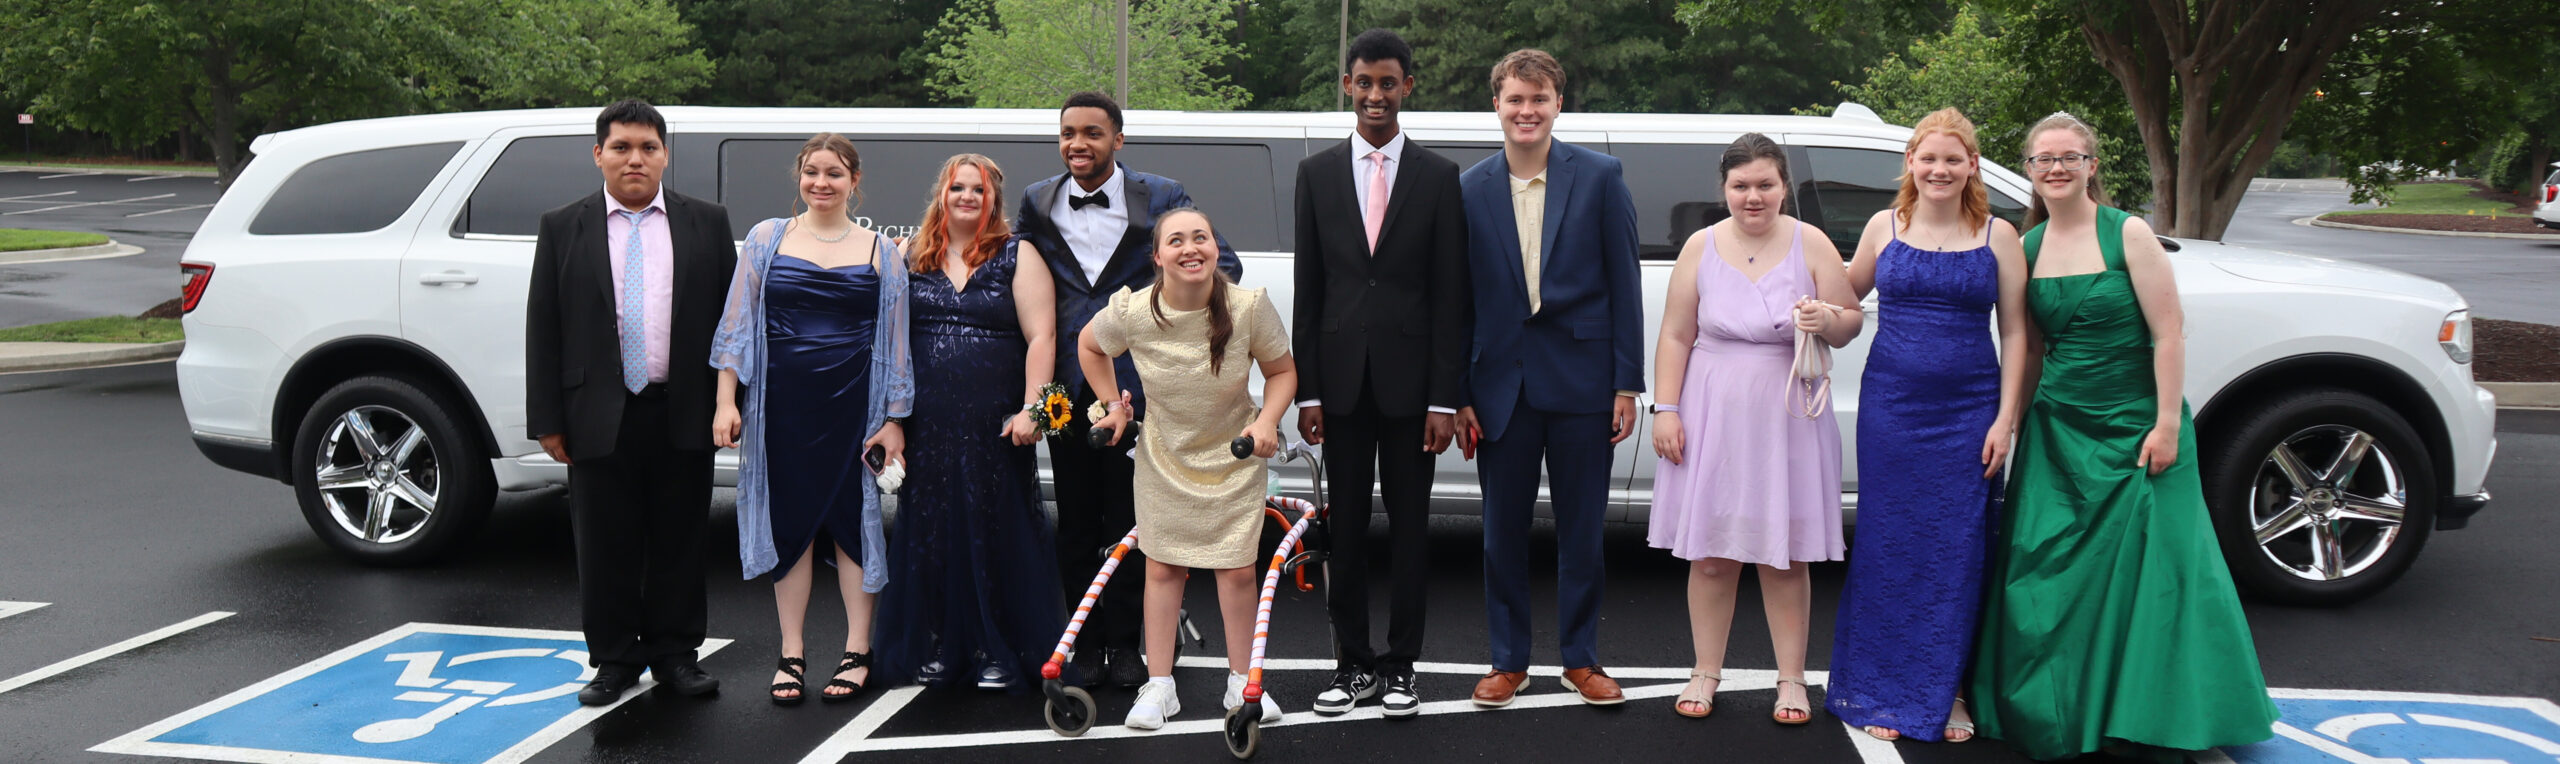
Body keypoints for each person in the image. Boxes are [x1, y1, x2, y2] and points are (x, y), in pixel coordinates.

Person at [1968, 112, 2279, 758]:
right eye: (2042, 158)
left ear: (2091, 165)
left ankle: (2163, 718)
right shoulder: (2028, 248)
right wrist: (2014, 423)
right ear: (2028, 170)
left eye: (2068, 156)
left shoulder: (2127, 234)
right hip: (2059, 435)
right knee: (2049, 575)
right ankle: (2068, 710)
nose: (2055, 167)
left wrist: (2167, 424)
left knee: (2158, 580)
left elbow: (2168, 333)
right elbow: (2029, 349)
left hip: (2138, 429)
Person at [1012, 91, 1241, 689]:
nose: (1077, 144)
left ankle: (1126, 647)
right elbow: (1016, 272)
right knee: (1078, 525)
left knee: (1136, 524)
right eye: (1067, 133)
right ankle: (1084, 646)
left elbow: (1223, 266)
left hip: (1143, 387)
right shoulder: (1037, 200)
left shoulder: (1162, 196)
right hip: (1066, 385)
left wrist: (1156, 321)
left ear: (1119, 139)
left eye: (1092, 132)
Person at [1825, 107, 2030, 742]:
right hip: (1892, 411)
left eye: (1953, 158)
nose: (1939, 169)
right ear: (1910, 163)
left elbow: (2019, 331)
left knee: (1959, 552)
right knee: (1889, 546)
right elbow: (1844, 299)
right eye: (1928, 158)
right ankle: (1882, 689)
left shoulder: (1999, 235)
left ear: (1972, 166)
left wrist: (2006, 418)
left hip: (1970, 414)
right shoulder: (1884, 226)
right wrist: (1809, 309)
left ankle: (1952, 693)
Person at [1454, 49, 1645, 710]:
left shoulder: (1599, 176)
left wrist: (1627, 384)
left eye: (1538, 99)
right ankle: (1507, 660)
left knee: (1582, 531)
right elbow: (1460, 301)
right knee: (1501, 534)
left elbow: (1626, 282)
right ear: (1498, 105)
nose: (1526, 111)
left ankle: (1580, 659)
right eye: (1515, 99)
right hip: (1499, 389)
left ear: (1558, 104)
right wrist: (1459, 396)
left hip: (1584, 384)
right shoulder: (1470, 187)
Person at [525, 99, 732, 706]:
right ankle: (614, 659)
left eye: (647, 147)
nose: (635, 159)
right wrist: (548, 418)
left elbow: (732, 322)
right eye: (621, 147)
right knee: (604, 542)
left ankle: (674, 654)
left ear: (665, 155)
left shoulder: (707, 222)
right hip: (596, 413)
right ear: (599, 155)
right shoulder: (563, 225)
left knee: (680, 539)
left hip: (683, 406)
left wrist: (730, 401)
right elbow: (545, 324)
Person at [1646, 134, 1858, 725]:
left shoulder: (1810, 241)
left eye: (1765, 184)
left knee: (1785, 556)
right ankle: (1704, 669)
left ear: (1784, 186)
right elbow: (1675, 334)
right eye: (1741, 186)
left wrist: (1826, 318)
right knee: (1712, 554)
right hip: (1710, 407)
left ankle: (1791, 678)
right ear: (1724, 190)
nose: (1753, 197)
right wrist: (1667, 408)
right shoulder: (1700, 245)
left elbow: (1850, 323)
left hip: (1788, 413)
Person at [1291, 28, 1470, 718]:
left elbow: (1450, 295)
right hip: (1337, 386)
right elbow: (1311, 291)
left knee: (1410, 529)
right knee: (1345, 529)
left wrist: (1444, 399)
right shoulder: (1316, 174)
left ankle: (1401, 666)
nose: (1375, 95)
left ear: (1407, 88)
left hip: (1411, 390)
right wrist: (1307, 389)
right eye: (1364, 82)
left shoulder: (1438, 177)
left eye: (1388, 82)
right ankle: (1351, 664)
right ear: (1348, 86)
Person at [708, 133, 913, 706]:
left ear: (855, 182)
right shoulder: (766, 239)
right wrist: (727, 401)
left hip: (855, 410)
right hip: (782, 409)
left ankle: (857, 649)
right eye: (811, 172)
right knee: (789, 530)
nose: (821, 183)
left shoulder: (883, 251)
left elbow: (896, 343)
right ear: (799, 176)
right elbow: (736, 325)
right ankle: (791, 652)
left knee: (854, 528)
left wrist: (895, 417)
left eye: (835, 173)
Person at [1083, 208, 1298, 730]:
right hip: (1164, 456)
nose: (1190, 248)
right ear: (1157, 257)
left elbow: (1283, 371)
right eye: (1175, 240)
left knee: (1236, 570)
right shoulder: (1134, 310)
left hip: (1234, 454)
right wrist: (1113, 404)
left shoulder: (1248, 307)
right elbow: (1090, 346)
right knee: (1162, 568)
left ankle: (1241, 682)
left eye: (1199, 237)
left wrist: (1268, 420)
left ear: (1215, 249)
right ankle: (1160, 688)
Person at [871, 154, 1067, 692]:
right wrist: (891, 417)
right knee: (930, 532)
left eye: (978, 190)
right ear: (942, 193)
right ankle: (937, 644)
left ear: (993, 199)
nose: (966, 197)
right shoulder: (908, 254)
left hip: (995, 422)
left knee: (997, 529)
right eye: (957, 187)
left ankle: (996, 649)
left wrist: (1035, 407)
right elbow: (886, 339)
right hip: (927, 419)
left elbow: (1042, 338)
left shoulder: (1017, 254)